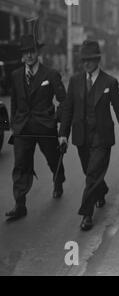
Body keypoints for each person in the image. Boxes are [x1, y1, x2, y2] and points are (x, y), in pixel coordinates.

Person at [59, 40, 119, 231]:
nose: (87, 64)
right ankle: (102, 190)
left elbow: (118, 108)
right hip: (82, 135)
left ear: (97, 60)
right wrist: (63, 134)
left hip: (102, 136)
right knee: (89, 171)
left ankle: (86, 214)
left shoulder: (110, 82)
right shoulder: (75, 81)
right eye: (84, 60)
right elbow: (68, 109)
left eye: (90, 60)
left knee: (92, 173)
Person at [5, 34, 66, 221]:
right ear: (22, 55)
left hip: (45, 126)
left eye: (32, 51)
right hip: (23, 128)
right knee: (21, 165)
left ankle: (58, 181)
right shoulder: (15, 76)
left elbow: (64, 101)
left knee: (53, 158)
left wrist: (57, 119)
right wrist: (15, 123)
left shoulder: (51, 74)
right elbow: (14, 102)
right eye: (25, 52)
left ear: (37, 52)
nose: (29, 55)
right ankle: (20, 204)